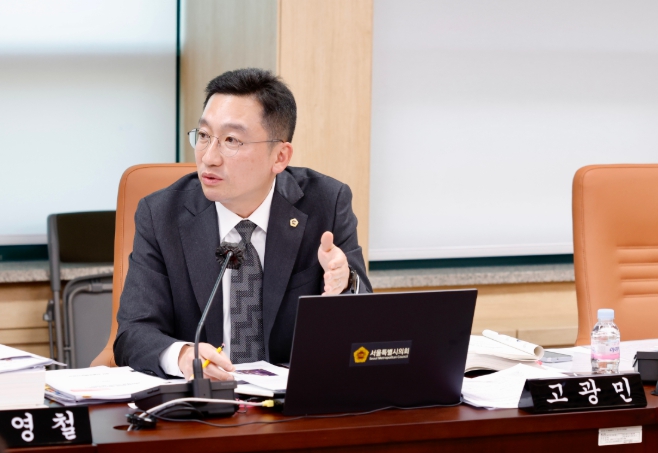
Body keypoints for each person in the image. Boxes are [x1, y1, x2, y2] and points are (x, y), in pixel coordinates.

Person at [114, 68, 371, 379]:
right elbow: (133, 333)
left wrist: (345, 284)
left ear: (280, 157)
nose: (209, 158)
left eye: (231, 140)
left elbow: (366, 331)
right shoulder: (161, 214)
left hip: (291, 397)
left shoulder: (325, 203)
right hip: (203, 397)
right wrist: (183, 356)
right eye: (204, 136)